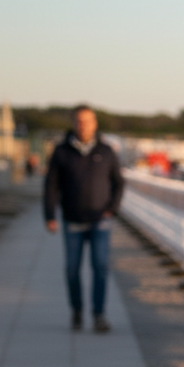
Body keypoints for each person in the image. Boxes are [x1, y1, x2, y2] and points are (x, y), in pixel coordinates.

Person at [44, 106, 124, 332]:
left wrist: (113, 209)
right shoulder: (61, 152)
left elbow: (119, 183)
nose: (84, 125)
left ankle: (99, 314)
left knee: (100, 266)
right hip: (72, 220)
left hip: (101, 220)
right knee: (72, 269)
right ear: (73, 123)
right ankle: (77, 309)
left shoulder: (107, 151)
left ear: (95, 123)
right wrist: (50, 215)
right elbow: (51, 186)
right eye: (79, 121)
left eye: (88, 121)